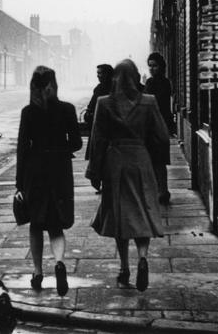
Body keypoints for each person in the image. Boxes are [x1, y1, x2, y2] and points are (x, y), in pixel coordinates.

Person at [85, 59, 169, 292]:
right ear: (136, 77)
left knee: (119, 215)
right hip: (141, 161)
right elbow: (162, 136)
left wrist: (94, 171)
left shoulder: (104, 103)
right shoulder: (149, 102)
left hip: (115, 163)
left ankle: (124, 268)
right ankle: (142, 257)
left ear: (115, 78)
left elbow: (97, 140)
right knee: (143, 210)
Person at [14, 66, 82, 297]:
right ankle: (60, 262)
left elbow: (22, 149)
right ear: (55, 84)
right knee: (56, 224)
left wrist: (19, 184)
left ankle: (37, 271)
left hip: (35, 172)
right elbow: (76, 143)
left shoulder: (28, 112)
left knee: (35, 223)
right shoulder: (67, 110)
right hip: (60, 170)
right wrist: (60, 148)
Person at [143, 52, 174, 205]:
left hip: (158, 124)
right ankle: (160, 190)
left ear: (161, 66)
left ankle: (161, 190)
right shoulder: (154, 82)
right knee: (156, 160)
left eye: (154, 66)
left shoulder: (160, 83)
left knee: (158, 160)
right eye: (150, 66)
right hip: (155, 125)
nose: (152, 69)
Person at [83, 64, 114, 150]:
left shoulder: (101, 89)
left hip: (102, 130)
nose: (98, 76)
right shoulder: (99, 88)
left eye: (100, 73)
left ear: (107, 74)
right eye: (98, 73)